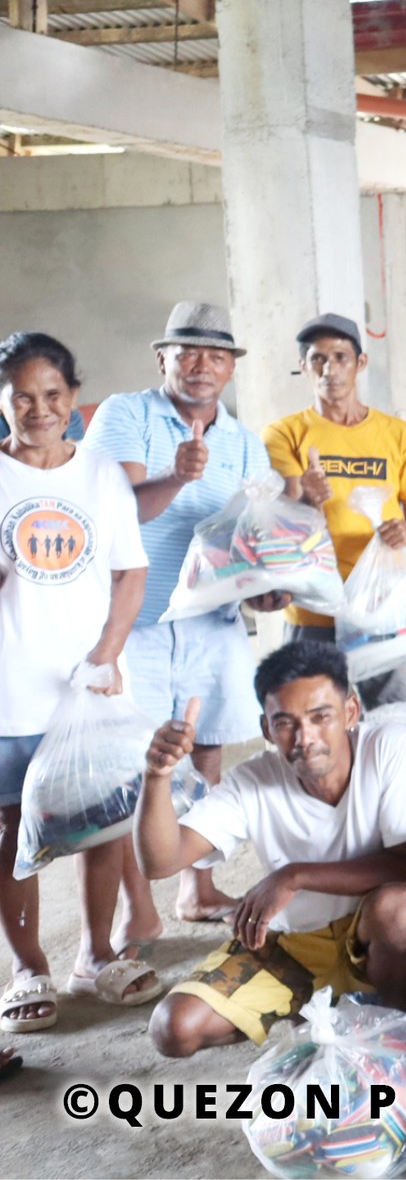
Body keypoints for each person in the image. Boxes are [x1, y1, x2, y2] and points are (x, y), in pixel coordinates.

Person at [137, 641, 406, 1055]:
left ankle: (396, 1030)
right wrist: (156, 776)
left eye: (320, 717)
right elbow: (160, 862)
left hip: (372, 936)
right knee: (173, 1028)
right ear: (266, 729)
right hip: (295, 944)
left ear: (350, 712)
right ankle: (302, 1004)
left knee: (399, 907)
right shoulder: (253, 781)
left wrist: (292, 875)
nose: (304, 738)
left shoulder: (389, 747)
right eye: (285, 723)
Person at [84, 302, 278, 922]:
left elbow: (248, 541)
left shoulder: (246, 444)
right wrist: (173, 478)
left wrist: (269, 589)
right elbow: (111, 516)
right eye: (188, 352)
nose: (202, 366)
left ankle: (197, 887)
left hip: (212, 620)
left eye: (217, 355)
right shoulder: (126, 414)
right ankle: (134, 910)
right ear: (162, 357)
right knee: (130, 763)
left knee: (209, 749)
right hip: (131, 620)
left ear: (231, 368)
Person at [0, 332, 159, 1032]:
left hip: (92, 687)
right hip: (12, 690)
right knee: (14, 833)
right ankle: (27, 967)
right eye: (23, 397)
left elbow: (131, 571)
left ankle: (96, 955)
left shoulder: (99, 474)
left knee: (103, 825)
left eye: (53, 394)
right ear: (4, 402)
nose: (40, 410)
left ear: (73, 395)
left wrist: (108, 653)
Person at [262, 314, 406, 708]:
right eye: (317, 358)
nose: (329, 369)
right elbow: (280, 520)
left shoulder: (400, 435)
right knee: (311, 721)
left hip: (381, 607)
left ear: (361, 363)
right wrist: (306, 500)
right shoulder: (284, 433)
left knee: (393, 717)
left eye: (341, 357)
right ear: (304, 367)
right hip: (312, 609)